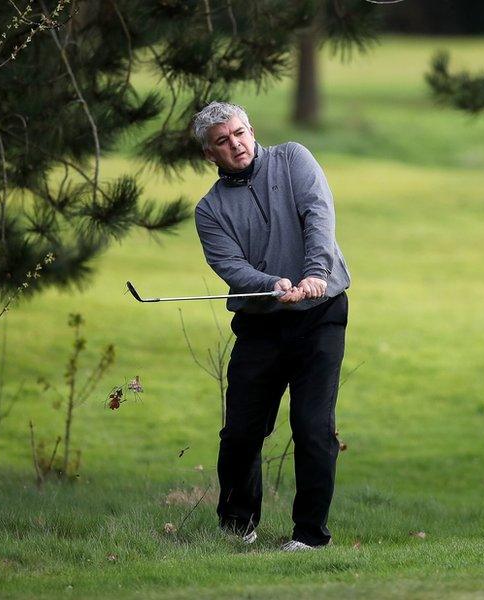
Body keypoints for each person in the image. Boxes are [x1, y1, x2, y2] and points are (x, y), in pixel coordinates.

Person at [191, 101, 351, 551]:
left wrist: (315, 274)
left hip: (320, 315)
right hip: (260, 323)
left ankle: (310, 536)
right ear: (210, 154)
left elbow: (318, 214)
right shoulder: (210, 210)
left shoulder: (293, 158)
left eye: (239, 133)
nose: (235, 144)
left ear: (251, 129)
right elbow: (231, 266)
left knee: (313, 425)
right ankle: (238, 528)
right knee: (241, 431)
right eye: (222, 141)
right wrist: (271, 285)